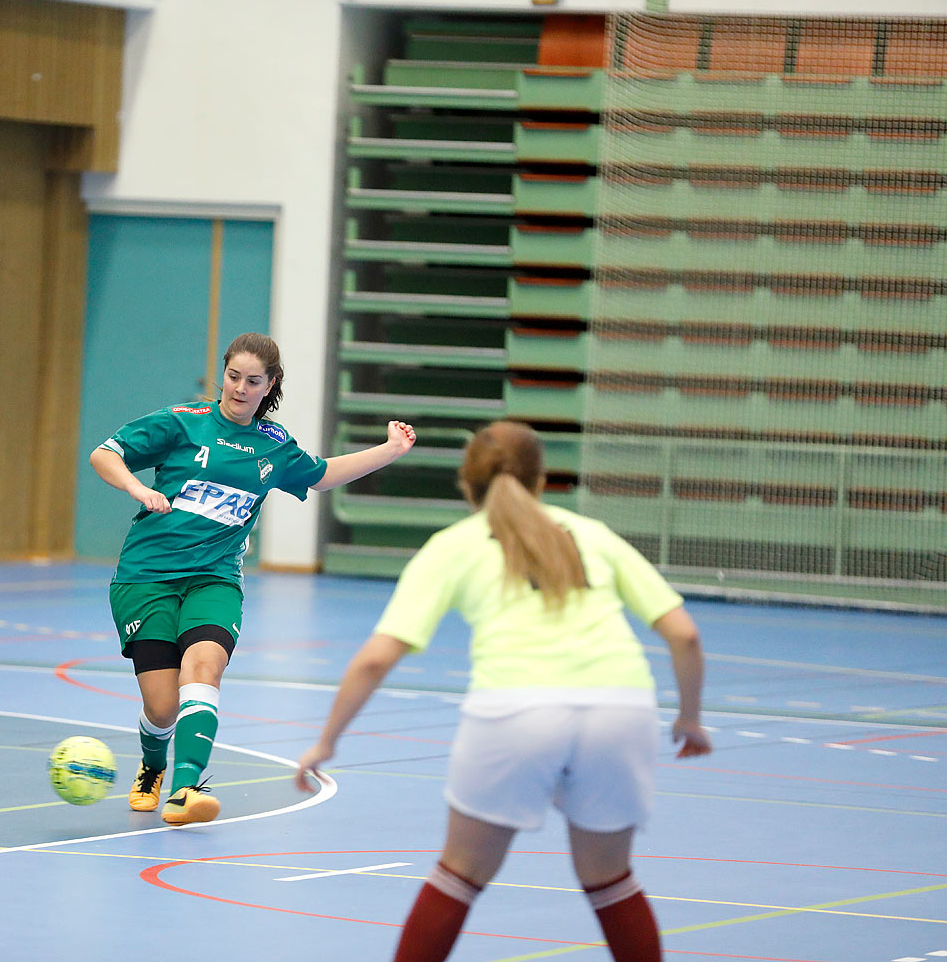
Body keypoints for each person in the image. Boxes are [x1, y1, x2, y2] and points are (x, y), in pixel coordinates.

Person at [294, 420, 711, 962]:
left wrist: (326, 741)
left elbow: (376, 659)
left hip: (516, 709)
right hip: (620, 706)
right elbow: (684, 634)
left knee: (459, 875)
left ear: (467, 487)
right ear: (541, 482)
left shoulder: (455, 546)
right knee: (610, 881)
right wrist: (690, 719)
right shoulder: (592, 534)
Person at [89, 331, 416, 826]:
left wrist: (388, 451)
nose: (240, 388)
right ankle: (153, 765)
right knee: (161, 708)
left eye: (253, 381)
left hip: (214, 578)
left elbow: (322, 474)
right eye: (233, 376)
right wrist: (138, 488)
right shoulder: (182, 423)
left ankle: (185, 790)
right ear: (224, 373)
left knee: (203, 671)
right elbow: (104, 455)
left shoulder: (272, 445)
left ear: (270, 385)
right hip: (147, 578)